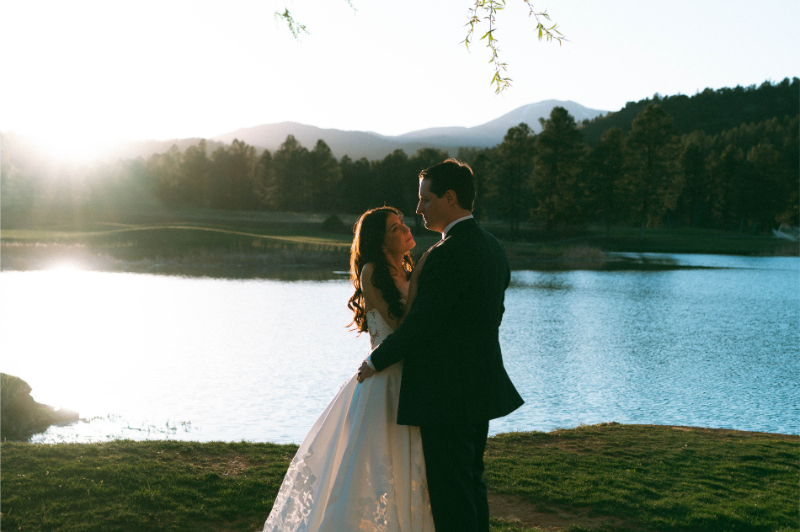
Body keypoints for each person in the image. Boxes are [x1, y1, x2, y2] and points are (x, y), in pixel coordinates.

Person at [358, 159, 524, 532]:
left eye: (425, 199)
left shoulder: (445, 254)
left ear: (450, 198)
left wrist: (376, 360)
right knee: (470, 482)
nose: (418, 209)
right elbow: (493, 314)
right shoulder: (493, 247)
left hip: (445, 393)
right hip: (479, 385)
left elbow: (422, 326)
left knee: (450, 495)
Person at [263, 206, 435, 532]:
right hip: (383, 383)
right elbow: (400, 326)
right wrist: (423, 272)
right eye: (395, 228)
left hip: (411, 380)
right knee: (373, 468)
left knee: (410, 467)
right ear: (381, 241)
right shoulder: (374, 271)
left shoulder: (406, 271)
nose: (404, 229)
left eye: (402, 224)